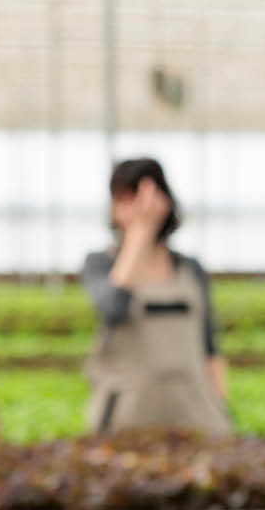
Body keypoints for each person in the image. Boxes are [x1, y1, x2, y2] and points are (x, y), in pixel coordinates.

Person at [82, 158, 231, 436]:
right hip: (126, 415)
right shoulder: (100, 263)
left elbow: (210, 346)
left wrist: (222, 407)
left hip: (193, 410)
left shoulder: (189, 269)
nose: (139, 207)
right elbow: (113, 307)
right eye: (127, 199)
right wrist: (140, 231)